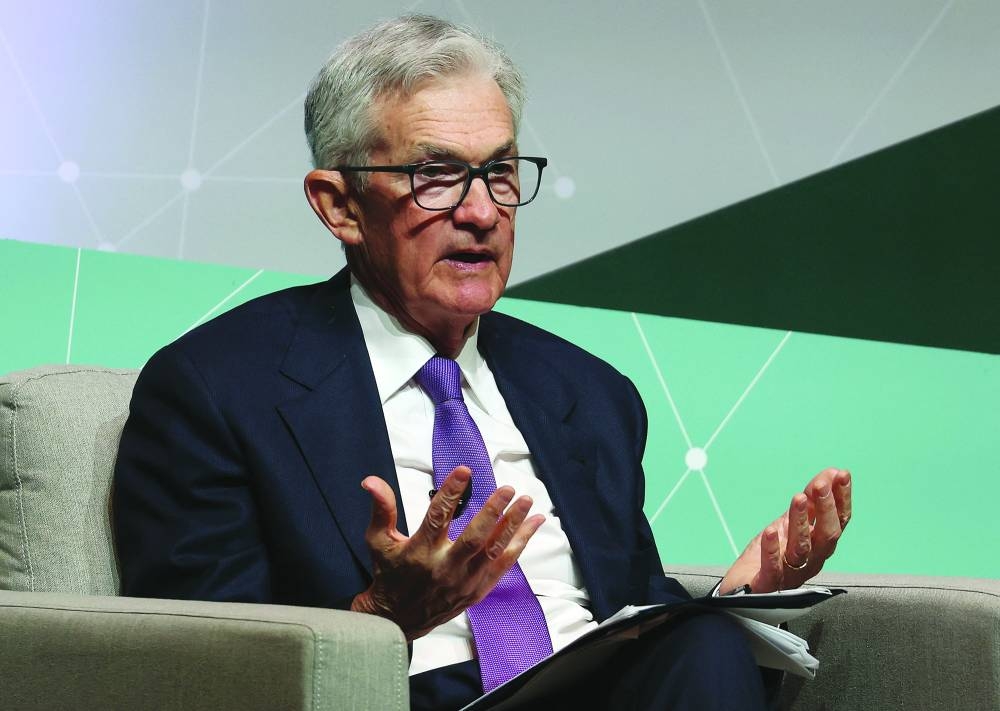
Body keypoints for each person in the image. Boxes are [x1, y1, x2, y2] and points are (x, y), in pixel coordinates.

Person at [113, 14, 852, 710]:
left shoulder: (588, 392)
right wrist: (381, 617)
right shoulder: (215, 388)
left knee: (707, 641)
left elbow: (635, 624)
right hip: (414, 692)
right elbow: (199, 661)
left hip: (591, 685)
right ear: (339, 206)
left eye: (500, 173)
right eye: (436, 175)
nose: (482, 211)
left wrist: (739, 594)